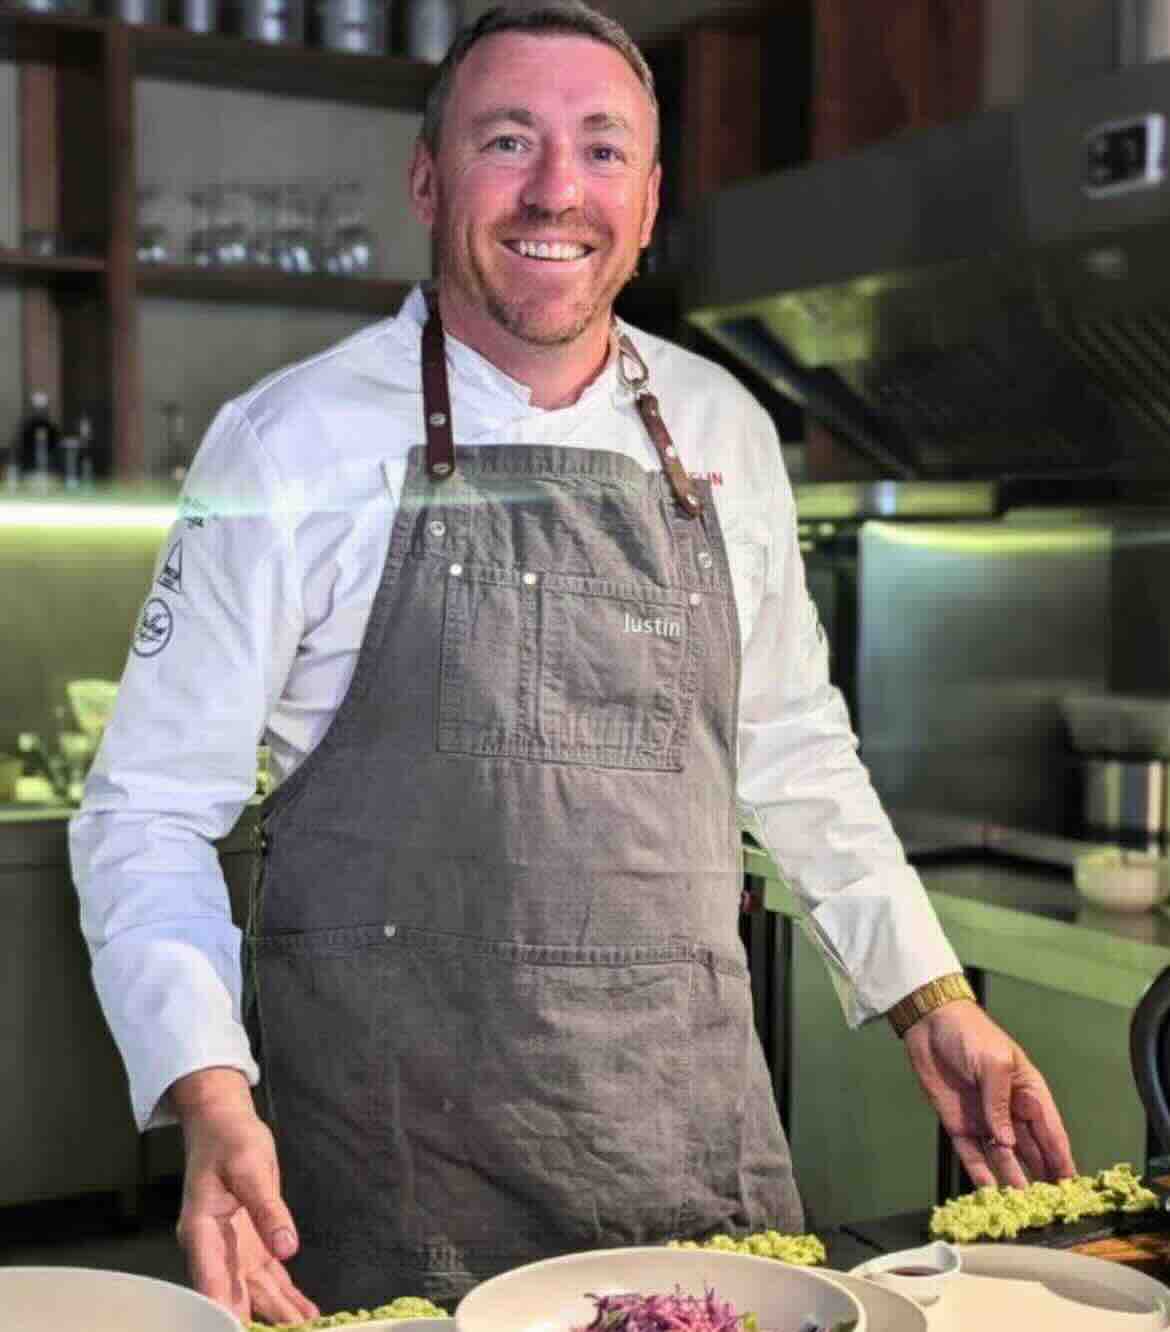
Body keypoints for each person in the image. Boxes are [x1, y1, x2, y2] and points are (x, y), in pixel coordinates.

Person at [70, 2, 1076, 1323]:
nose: (557, 190)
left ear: (650, 202)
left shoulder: (722, 427)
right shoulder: (286, 443)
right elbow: (144, 810)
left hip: (687, 1157)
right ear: (429, 179)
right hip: (388, 1174)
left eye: (601, 152)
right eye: (507, 141)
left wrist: (923, 995)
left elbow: (789, 745)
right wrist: (209, 1091)